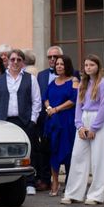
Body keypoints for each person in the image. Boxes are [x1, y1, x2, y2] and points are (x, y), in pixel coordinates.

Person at [61, 54, 104, 205]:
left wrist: (94, 128)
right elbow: (78, 106)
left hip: (98, 121)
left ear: (98, 67)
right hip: (84, 118)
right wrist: (80, 125)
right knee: (77, 156)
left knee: (98, 159)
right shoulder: (82, 84)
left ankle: (95, 195)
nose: (88, 68)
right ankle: (73, 193)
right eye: (86, 65)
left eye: (92, 65)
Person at [0, 49, 42, 195]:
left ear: (22, 62)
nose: (15, 62)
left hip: (24, 121)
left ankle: (30, 183)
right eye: (12, 59)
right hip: (4, 121)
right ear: (8, 61)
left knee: (27, 153)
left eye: (19, 59)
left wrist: (32, 120)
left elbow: (36, 101)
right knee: (3, 152)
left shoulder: (30, 79)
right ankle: (4, 182)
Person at [43, 55, 78, 196]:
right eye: (57, 64)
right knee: (54, 151)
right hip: (53, 123)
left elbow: (73, 100)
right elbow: (45, 98)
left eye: (62, 64)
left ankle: (70, 184)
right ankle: (55, 182)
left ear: (67, 65)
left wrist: (56, 109)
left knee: (69, 152)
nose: (58, 66)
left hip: (68, 121)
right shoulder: (53, 82)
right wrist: (49, 108)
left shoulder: (74, 81)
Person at [36, 45, 65, 192]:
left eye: (56, 57)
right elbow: (40, 97)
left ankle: (67, 181)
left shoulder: (71, 75)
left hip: (63, 117)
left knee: (63, 149)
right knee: (44, 150)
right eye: (50, 57)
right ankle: (46, 180)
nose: (53, 60)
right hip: (45, 118)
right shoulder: (41, 75)